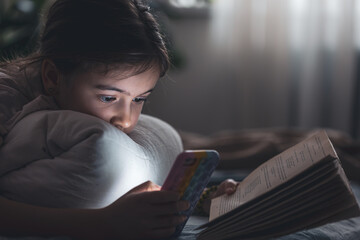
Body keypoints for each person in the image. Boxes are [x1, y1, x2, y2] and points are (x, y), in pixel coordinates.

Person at [0, 0, 238, 239]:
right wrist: (103, 222)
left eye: (139, 99)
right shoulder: (7, 99)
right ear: (52, 77)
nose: (125, 120)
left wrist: (198, 197)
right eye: (107, 98)